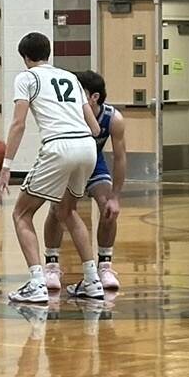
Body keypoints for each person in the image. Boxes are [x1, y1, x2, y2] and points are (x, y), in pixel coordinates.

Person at [0, 32, 103, 303]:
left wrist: (7, 166)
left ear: (25, 57)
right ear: (48, 53)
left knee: (21, 214)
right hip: (86, 145)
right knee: (68, 211)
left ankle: (36, 283)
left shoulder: (27, 77)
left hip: (59, 147)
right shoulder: (71, 78)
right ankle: (92, 281)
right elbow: (96, 127)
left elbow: (19, 124)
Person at [42, 70, 125, 291]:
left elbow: (120, 158)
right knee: (56, 209)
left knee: (107, 206)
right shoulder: (67, 114)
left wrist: (116, 197)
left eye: (81, 91)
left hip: (94, 161)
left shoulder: (113, 119)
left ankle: (105, 266)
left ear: (94, 97)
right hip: (69, 160)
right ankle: (51, 265)